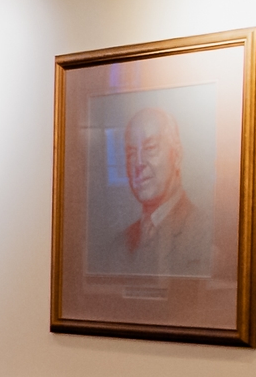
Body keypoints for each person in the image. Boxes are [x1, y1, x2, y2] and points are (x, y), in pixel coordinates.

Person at [90, 101, 216, 279]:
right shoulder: (119, 246)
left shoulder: (205, 236)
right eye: (132, 153)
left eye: (150, 148)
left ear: (177, 156)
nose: (139, 163)